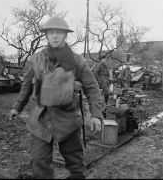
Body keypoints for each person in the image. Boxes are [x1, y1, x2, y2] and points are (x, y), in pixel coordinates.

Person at [9, 17, 102, 179]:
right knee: (39, 163)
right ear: (46, 35)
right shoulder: (38, 58)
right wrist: (17, 107)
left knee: (76, 166)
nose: (55, 36)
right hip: (41, 119)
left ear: (65, 35)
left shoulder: (77, 60)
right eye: (51, 32)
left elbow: (92, 87)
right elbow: (27, 85)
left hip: (68, 120)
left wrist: (96, 115)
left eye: (59, 33)